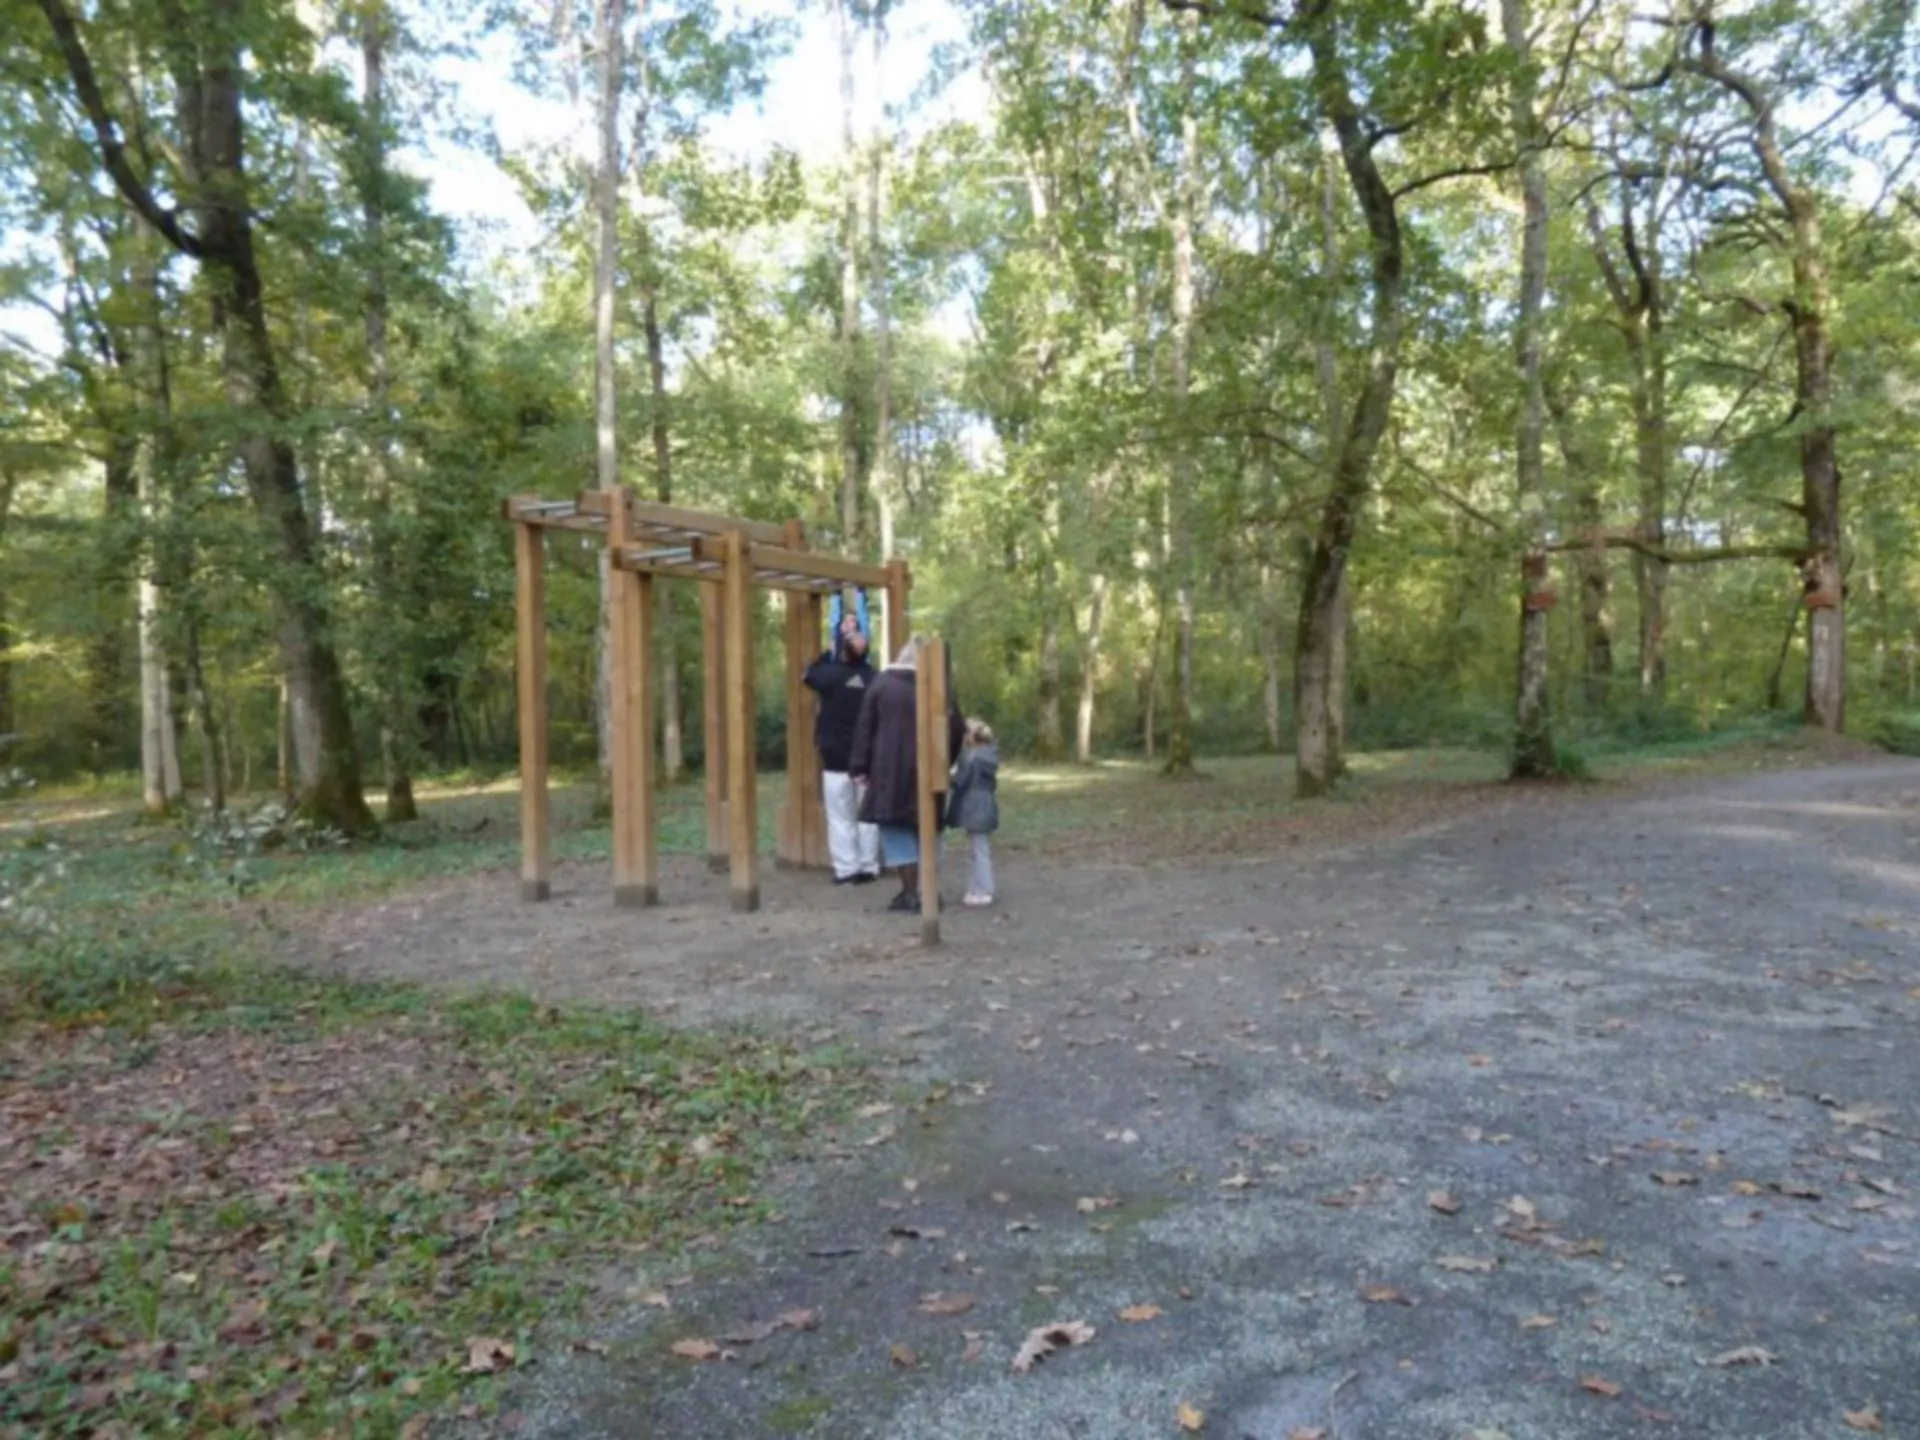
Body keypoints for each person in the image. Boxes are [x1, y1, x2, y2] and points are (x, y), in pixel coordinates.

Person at [848, 636, 966, 914]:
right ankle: (929, 892)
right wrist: (945, 759)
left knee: (897, 830)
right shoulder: (940, 687)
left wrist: (859, 766)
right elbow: (958, 727)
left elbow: (865, 728)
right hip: (930, 770)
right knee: (929, 832)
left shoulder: (882, 684)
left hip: (891, 770)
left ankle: (910, 893)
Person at [803, 612, 880, 885]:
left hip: (835, 757)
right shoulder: (874, 679)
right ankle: (869, 866)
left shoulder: (829, 675)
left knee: (840, 817)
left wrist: (827, 653)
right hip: (868, 759)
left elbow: (808, 674)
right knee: (867, 816)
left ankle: (847, 869)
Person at [946, 719, 1000, 907]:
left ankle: (984, 889)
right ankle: (977, 887)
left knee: (979, 851)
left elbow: (960, 781)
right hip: (985, 804)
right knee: (979, 849)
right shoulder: (989, 755)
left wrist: (947, 777)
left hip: (975, 806)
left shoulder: (972, 757)